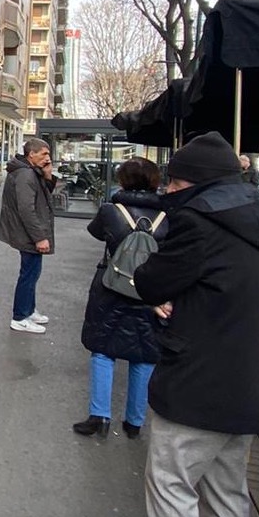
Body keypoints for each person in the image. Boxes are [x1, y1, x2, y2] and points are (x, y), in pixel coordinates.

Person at [135, 131, 259, 517]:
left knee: (170, 485)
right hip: (250, 377)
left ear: (197, 183)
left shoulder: (200, 222)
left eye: (176, 183)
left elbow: (151, 280)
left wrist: (168, 295)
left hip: (197, 380)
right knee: (228, 491)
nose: (169, 191)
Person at [73, 156, 168, 440]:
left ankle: (99, 416)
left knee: (103, 349)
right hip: (151, 290)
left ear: (123, 179)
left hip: (111, 286)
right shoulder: (169, 216)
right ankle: (134, 422)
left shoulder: (111, 211)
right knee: (145, 354)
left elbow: (95, 233)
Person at [0, 137, 56, 333]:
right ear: (31, 154)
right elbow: (26, 209)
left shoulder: (30, 171)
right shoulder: (26, 174)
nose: (47, 158)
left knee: (32, 273)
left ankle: (28, 310)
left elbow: (43, 195)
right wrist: (39, 237)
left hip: (27, 232)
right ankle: (20, 317)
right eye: (44, 154)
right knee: (29, 274)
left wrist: (48, 175)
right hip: (28, 234)